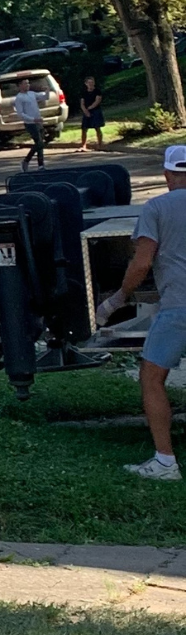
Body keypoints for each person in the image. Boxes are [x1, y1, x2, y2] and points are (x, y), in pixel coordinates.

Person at [100, 144, 186, 481]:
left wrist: (118, 298)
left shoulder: (156, 208)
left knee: (152, 377)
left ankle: (165, 462)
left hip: (178, 306)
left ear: (167, 175)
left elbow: (142, 263)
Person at [14, 78, 47, 171]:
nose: (27, 85)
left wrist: (47, 91)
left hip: (38, 122)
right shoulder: (19, 98)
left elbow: (44, 97)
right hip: (30, 124)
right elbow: (21, 114)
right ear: (20, 85)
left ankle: (41, 165)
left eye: (28, 83)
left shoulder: (32, 94)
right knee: (39, 143)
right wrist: (33, 119)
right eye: (25, 83)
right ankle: (26, 161)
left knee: (40, 143)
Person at [80, 74, 106, 150]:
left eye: (92, 82)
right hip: (86, 111)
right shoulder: (84, 92)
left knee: (97, 128)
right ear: (86, 84)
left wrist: (90, 108)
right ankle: (83, 145)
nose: (91, 84)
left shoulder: (97, 91)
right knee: (84, 129)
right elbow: (82, 103)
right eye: (89, 82)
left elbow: (97, 101)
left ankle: (100, 145)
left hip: (96, 111)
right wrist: (85, 111)